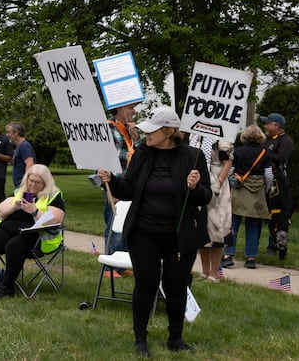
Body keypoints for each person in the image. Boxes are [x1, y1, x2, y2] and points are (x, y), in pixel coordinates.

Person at [97, 106, 211, 357]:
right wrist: (111, 180)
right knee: (145, 284)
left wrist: (194, 187)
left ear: (169, 131)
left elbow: (205, 196)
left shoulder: (192, 157)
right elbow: (127, 189)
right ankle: (140, 339)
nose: (146, 134)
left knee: (176, 285)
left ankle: (175, 338)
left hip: (179, 236)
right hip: (144, 233)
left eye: (152, 130)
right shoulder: (141, 153)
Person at [0, 164, 65, 299]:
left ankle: (6, 288)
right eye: (30, 180)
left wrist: (34, 211)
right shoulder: (19, 192)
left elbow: (56, 219)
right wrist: (14, 207)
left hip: (34, 236)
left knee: (13, 246)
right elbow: (0, 211)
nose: (32, 185)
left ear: (45, 183)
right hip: (8, 229)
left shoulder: (53, 195)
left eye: (37, 182)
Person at [222, 125, 271, 270]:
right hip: (257, 192)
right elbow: (268, 175)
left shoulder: (238, 151)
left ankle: (228, 256)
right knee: (252, 227)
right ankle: (251, 258)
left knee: (233, 225)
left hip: (239, 190)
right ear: (260, 137)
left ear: (245, 136)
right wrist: (264, 190)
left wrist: (229, 186)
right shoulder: (265, 153)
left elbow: (230, 170)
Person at [102, 103, 139, 278]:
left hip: (129, 185)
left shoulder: (129, 131)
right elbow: (108, 158)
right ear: (120, 110)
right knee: (113, 224)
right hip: (115, 184)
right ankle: (110, 267)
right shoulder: (109, 128)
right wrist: (114, 188)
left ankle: (122, 262)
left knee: (126, 224)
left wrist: (136, 137)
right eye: (131, 108)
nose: (134, 111)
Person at [190, 136, 233, 282]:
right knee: (201, 226)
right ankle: (205, 271)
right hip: (200, 179)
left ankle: (214, 273)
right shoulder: (195, 136)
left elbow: (228, 162)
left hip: (216, 181)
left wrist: (219, 182)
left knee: (216, 228)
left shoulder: (221, 139)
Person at [260, 113, 294, 259]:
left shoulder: (286, 141)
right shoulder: (266, 140)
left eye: (268, 123)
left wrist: (265, 152)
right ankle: (271, 245)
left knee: (280, 214)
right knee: (269, 214)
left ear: (277, 125)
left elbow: (281, 158)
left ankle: (280, 248)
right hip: (264, 179)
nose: (265, 126)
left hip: (278, 181)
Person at [6, 122, 35, 188]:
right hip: (20, 186)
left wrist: (27, 184)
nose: (7, 135)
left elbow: (30, 164)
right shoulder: (20, 146)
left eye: (8, 132)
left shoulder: (24, 146)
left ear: (16, 132)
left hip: (23, 186)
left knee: (11, 198)